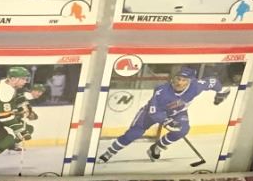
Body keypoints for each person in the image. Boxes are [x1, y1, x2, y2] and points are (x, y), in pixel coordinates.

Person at [97, 67, 229, 164]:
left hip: (178, 112)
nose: (179, 83)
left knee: (182, 130)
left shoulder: (197, 86)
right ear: (173, 79)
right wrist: (167, 122)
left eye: (184, 80)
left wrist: (220, 93)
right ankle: (110, 152)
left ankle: (156, 147)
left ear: (190, 82)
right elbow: (154, 112)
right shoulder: (162, 91)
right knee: (134, 133)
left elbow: (213, 82)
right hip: (150, 113)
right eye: (178, 79)